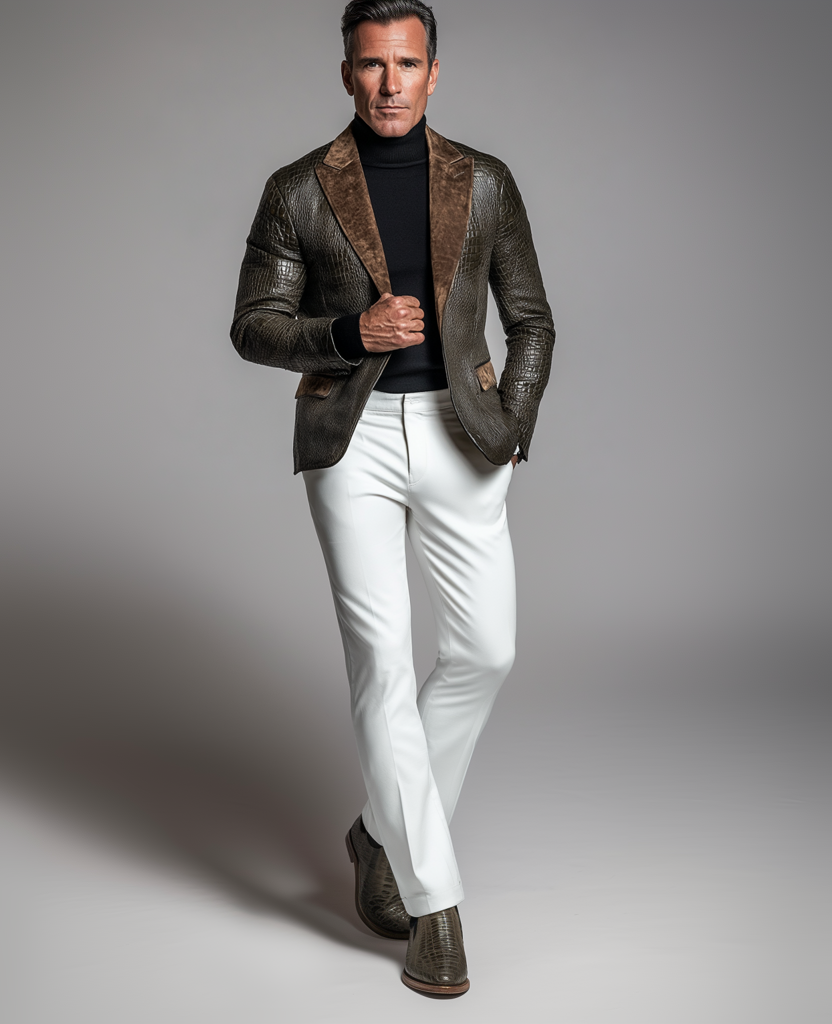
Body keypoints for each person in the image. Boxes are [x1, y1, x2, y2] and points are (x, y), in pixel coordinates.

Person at [231, 0, 553, 997]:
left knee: (485, 649)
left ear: (433, 71)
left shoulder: (484, 182)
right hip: (351, 434)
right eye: (370, 65)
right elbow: (253, 324)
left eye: (405, 64)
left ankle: (379, 832)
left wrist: (510, 426)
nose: (388, 83)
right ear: (346, 73)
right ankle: (434, 907)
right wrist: (347, 334)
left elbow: (532, 321)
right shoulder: (298, 189)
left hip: (463, 433)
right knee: (381, 663)